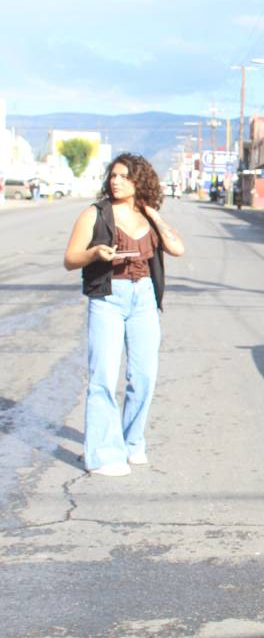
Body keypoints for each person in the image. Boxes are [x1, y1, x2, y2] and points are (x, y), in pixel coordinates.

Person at [63, 153, 186, 476]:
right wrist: (93, 253)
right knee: (103, 376)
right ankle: (103, 455)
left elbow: (177, 249)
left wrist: (154, 215)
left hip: (144, 297)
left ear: (139, 182)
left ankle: (132, 443)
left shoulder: (147, 216)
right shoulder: (95, 214)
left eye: (124, 176)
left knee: (144, 376)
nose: (116, 181)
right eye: (113, 176)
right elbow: (70, 258)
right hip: (108, 297)